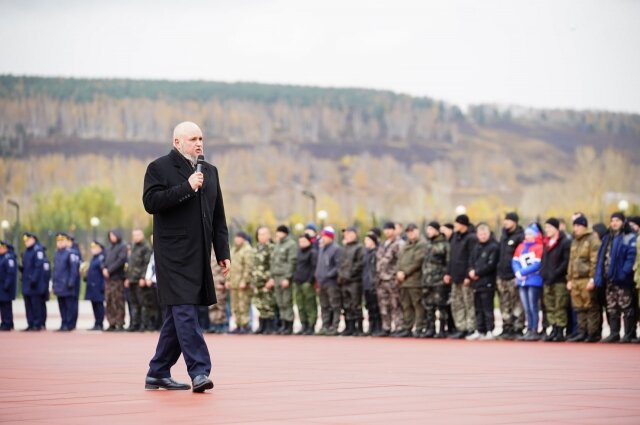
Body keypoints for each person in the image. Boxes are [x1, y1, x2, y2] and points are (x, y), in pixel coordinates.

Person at [143, 121, 230, 393]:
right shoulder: (159, 168)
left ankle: (158, 372)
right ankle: (200, 371)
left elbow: (218, 217)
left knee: (177, 316)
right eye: (193, 138)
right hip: (173, 255)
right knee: (185, 311)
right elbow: (151, 203)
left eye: (201, 138)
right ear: (177, 142)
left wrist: (222, 252)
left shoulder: (211, 171)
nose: (199, 143)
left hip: (199, 254)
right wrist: (187, 187)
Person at [596, 212, 637, 343]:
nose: (614, 223)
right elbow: (600, 258)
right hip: (609, 278)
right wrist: (599, 275)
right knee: (612, 307)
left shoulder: (629, 237)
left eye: (617, 220)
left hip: (622, 279)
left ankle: (628, 333)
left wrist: (624, 273)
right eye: (612, 220)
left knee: (626, 306)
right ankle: (614, 332)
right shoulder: (607, 238)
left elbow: (631, 257)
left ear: (623, 222)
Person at [566, 216, 602, 343]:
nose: (575, 228)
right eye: (574, 226)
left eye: (578, 226)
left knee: (590, 307)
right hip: (575, 279)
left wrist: (593, 279)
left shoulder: (593, 240)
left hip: (586, 278)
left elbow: (595, 261)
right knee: (579, 308)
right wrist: (569, 279)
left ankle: (593, 333)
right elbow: (571, 261)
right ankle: (582, 332)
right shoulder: (575, 241)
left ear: (584, 226)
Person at [445, 214, 477, 339]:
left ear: (463, 224)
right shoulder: (454, 238)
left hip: (465, 278)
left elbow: (471, 258)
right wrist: (448, 273)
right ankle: (461, 327)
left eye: (457, 224)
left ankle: (470, 327)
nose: (455, 226)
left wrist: (468, 276)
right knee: (457, 303)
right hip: (455, 276)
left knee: (468, 302)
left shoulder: (471, 238)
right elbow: (451, 258)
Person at [540, 218, 571, 342]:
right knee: (549, 305)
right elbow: (544, 260)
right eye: (546, 227)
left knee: (560, 305)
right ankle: (553, 328)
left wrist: (555, 274)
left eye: (549, 227)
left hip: (559, 280)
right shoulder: (546, 242)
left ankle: (560, 329)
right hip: (547, 280)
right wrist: (544, 273)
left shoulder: (564, 242)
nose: (547, 230)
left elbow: (565, 261)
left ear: (556, 228)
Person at [466, 223, 499, 340]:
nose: (483, 236)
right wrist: (470, 271)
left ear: (489, 234)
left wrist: (477, 272)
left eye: (485, 234)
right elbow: (470, 262)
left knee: (487, 307)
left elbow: (491, 265)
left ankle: (490, 330)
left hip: (487, 281)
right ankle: (480, 330)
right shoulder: (476, 247)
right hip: (476, 283)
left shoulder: (493, 247)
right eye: (480, 234)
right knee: (478, 308)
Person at [496, 212, 525, 340]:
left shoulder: (520, 237)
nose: (505, 222)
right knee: (504, 303)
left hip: (513, 275)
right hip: (502, 275)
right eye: (505, 220)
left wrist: (517, 274)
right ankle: (506, 327)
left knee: (516, 303)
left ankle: (518, 328)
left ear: (515, 222)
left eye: (508, 220)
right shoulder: (503, 236)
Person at [512, 224, 544, 341]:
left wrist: (524, 272)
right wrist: (518, 273)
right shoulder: (521, 247)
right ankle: (529, 328)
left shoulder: (539, 247)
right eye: (526, 234)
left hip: (533, 280)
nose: (527, 236)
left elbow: (537, 264)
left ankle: (534, 328)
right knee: (526, 307)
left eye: (530, 234)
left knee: (533, 306)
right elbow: (515, 261)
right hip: (522, 281)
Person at [396, 223, 428, 337]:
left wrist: (405, 272)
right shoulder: (405, 245)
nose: (410, 234)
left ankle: (419, 327)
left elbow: (418, 261)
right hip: (403, 281)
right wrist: (398, 271)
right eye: (408, 232)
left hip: (415, 280)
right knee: (406, 305)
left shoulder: (422, 244)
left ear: (417, 231)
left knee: (418, 305)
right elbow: (399, 260)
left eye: (412, 231)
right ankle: (407, 327)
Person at [421, 222, 450, 338]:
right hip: (427, 280)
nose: (428, 232)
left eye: (431, 229)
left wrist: (447, 274)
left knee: (441, 305)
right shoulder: (428, 244)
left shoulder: (444, 244)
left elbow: (448, 261)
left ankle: (442, 329)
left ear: (437, 230)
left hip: (439, 280)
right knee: (428, 306)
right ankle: (430, 329)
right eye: (427, 229)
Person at [267, 225, 298, 335]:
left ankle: (289, 326)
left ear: (284, 233)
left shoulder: (291, 244)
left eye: (279, 232)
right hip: (276, 277)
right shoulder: (277, 244)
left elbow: (292, 262)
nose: (277, 234)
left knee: (287, 301)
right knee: (280, 302)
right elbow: (273, 262)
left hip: (285, 277)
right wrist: (271, 277)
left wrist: (287, 278)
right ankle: (283, 324)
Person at [375, 222, 403, 336]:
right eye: (385, 229)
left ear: (394, 230)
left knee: (395, 303)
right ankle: (386, 327)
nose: (387, 232)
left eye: (389, 229)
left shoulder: (399, 244)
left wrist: (397, 275)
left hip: (392, 278)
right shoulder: (383, 244)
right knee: (383, 304)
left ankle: (399, 327)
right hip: (381, 278)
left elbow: (401, 261)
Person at [337, 227, 364, 336]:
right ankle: (349, 326)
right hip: (344, 281)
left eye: (348, 233)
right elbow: (340, 264)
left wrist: (349, 275)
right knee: (346, 305)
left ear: (354, 234)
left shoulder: (359, 248)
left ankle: (359, 327)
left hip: (354, 281)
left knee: (355, 305)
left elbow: (359, 264)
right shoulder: (344, 248)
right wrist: (340, 276)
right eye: (345, 234)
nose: (346, 236)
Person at [315, 226, 342, 336]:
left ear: (330, 237)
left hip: (331, 282)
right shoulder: (321, 248)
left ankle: (334, 326)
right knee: (324, 305)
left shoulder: (336, 249)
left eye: (325, 236)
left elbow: (338, 265)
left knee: (334, 305)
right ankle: (325, 325)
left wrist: (328, 275)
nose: (323, 238)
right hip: (321, 282)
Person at [125, 229, 153, 332]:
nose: (136, 237)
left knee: (143, 303)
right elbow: (130, 264)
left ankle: (144, 324)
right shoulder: (132, 247)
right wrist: (127, 277)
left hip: (140, 280)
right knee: (133, 303)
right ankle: (134, 324)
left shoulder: (146, 247)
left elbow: (147, 264)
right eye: (134, 235)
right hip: (131, 279)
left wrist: (143, 277)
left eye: (138, 235)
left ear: (142, 235)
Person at [21, 232, 48, 331]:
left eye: (28, 240)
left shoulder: (38, 250)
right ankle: (30, 323)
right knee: (28, 305)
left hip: (35, 284)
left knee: (36, 305)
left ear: (33, 239)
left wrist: (34, 279)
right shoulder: (27, 251)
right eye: (25, 241)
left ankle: (37, 323)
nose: (26, 242)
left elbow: (38, 266)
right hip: (27, 283)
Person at [52, 233, 80, 332]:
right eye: (58, 241)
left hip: (67, 284)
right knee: (62, 305)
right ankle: (63, 323)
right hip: (59, 284)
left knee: (69, 306)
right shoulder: (56, 254)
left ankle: (69, 324)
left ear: (66, 242)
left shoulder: (71, 253)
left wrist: (71, 282)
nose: (59, 243)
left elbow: (74, 270)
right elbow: (55, 270)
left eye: (61, 241)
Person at [227, 231, 253, 334]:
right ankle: (238, 325)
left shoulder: (247, 250)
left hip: (242, 283)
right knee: (235, 306)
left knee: (244, 305)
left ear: (244, 239)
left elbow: (249, 267)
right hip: (233, 283)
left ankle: (245, 326)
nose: (236, 239)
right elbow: (230, 267)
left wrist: (245, 281)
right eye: (236, 237)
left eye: (239, 238)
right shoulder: (233, 250)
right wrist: (228, 280)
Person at [251, 226, 276, 335]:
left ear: (269, 235)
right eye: (260, 234)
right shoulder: (256, 248)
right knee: (259, 304)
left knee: (268, 304)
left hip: (267, 280)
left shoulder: (272, 248)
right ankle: (262, 325)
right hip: (257, 281)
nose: (261, 236)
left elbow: (274, 265)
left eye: (264, 234)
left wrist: (271, 279)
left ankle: (270, 326)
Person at [293, 234, 318, 335]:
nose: (302, 243)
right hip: (298, 281)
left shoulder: (312, 252)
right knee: (300, 305)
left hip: (307, 282)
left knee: (310, 305)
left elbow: (314, 268)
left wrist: (310, 281)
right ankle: (304, 324)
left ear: (309, 241)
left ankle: (311, 326)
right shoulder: (298, 252)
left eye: (304, 241)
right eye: (300, 241)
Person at [103, 229, 127, 332]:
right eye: (110, 235)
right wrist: (103, 268)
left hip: (117, 278)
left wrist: (109, 270)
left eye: (113, 235)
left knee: (118, 301)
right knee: (109, 301)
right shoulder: (108, 248)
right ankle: (111, 323)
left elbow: (121, 260)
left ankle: (120, 323)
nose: (111, 237)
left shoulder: (122, 247)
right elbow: (104, 260)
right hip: (109, 279)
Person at [84, 241, 106, 331]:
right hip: (92, 286)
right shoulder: (94, 258)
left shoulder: (101, 258)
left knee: (99, 306)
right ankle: (96, 323)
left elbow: (103, 273)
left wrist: (103, 285)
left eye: (95, 248)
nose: (93, 250)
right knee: (94, 305)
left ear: (100, 248)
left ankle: (100, 323)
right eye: (92, 248)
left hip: (98, 286)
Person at [362, 231, 381, 336]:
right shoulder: (365, 254)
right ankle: (371, 326)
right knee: (369, 307)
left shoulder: (377, 253)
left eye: (368, 240)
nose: (366, 243)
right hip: (366, 283)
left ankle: (378, 327)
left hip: (374, 283)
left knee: (376, 307)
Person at [0, 240, 17, 331]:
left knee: (6, 306)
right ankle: (4, 323)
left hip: (6, 287)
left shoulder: (9, 258)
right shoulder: (2, 257)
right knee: (2, 306)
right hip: (1, 287)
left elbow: (10, 273)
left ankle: (8, 323)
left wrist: (6, 285)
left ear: (5, 248)